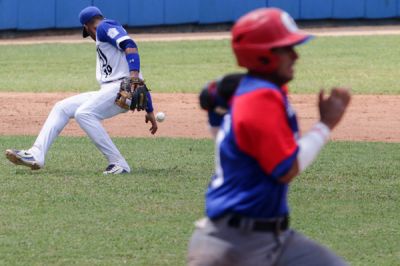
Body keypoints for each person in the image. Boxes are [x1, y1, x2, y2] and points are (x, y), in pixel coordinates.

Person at [188, 8, 351, 266]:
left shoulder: (256, 89)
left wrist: (215, 100)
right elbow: (285, 168)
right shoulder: (259, 98)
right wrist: (325, 124)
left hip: (275, 238)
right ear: (263, 55)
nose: (296, 55)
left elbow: (212, 97)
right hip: (232, 246)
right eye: (286, 49)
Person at [5, 6, 157, 175]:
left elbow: (130, 45)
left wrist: (134, 75)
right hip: (112, 89)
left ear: (88, 26)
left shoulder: (104, 27)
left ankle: (118, 163)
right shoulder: (106, 34)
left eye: (87, 32)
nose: (90, 37)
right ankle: (36, 154)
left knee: (84, 113)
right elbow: (136, 77)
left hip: (118, 87)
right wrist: (149, 109)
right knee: (62, 107)